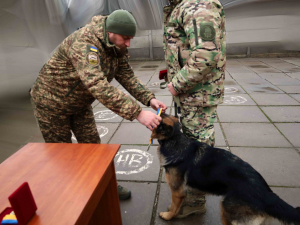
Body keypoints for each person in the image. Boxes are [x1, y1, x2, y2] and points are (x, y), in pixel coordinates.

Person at [30, 9, 167, 200]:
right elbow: (97, 84)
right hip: (52, 103)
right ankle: (71, 197)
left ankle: (105, 185)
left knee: (93, 147)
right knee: (62, 153)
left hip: (79, 103)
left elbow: (125, 74)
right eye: (125, 38)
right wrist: (138, 113)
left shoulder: (115, 44)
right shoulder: (85, 43)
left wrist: (148, 99)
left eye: (130, 39)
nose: (128, 44)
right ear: (111, 32)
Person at [163, 0, 226, 219]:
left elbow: (206, 54)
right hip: (192, 93)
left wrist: (177, 82)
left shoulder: (197, 5)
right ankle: (191, 198)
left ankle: (195, 202)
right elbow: (186, 47)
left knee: (197, 151)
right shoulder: (185, 5)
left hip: (196, 95)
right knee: (191, 147)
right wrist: (172, 70)